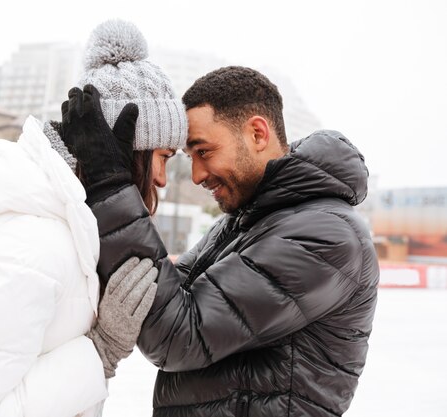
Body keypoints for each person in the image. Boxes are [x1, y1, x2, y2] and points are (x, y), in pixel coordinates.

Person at [0, 20, 187, 417]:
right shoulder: (35, 245)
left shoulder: (62, 227)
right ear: (128, 149)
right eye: (162, 158)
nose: (163, 178)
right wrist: (100, 351)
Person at [62, 66, 380, 416]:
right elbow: (165, 289)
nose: (196, 175)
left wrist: (111, 186)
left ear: (257, 134)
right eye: (189, 157)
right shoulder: (247, 220)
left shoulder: (326, 236)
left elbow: (179, 334)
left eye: (204, 151)